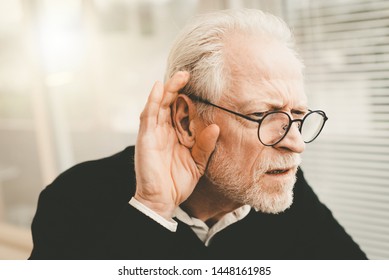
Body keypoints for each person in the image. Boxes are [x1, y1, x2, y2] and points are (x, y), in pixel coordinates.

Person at [29, 8, 367, 260]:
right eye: (263, 115)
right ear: (188, 121)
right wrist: (151, 211)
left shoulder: (281, 188)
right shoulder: (75, 198)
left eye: (297, 116)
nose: (295, 143)